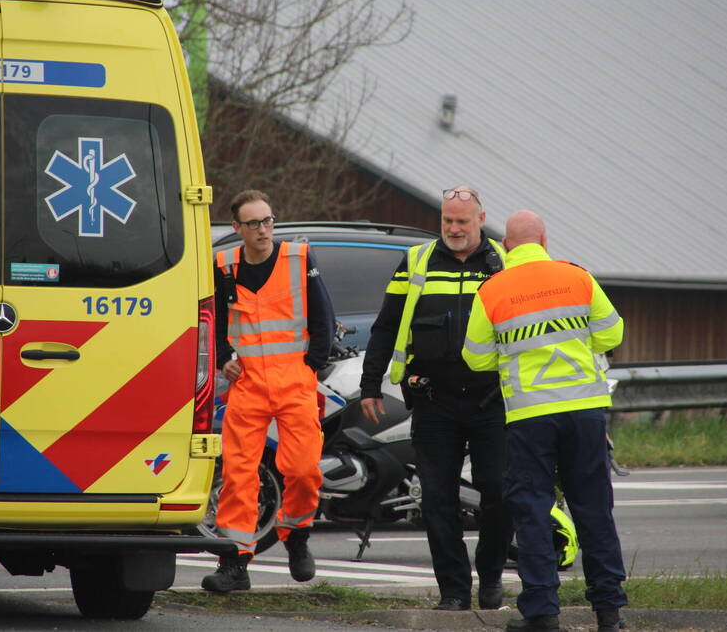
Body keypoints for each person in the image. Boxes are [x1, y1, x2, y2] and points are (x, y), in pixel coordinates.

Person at [462, 210, 628, 632]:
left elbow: (475, 356)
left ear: (508, 247)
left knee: (533, 511)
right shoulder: (578, 277)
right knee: (594, 508)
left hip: (530, 416)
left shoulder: (493, 290)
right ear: (544, 240)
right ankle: (609, 612)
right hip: (584, 412)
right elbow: (612, 335)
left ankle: (542, 613)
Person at [359, 186, 509, 611]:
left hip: (492, 400)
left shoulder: (505, 264)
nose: (454, 229)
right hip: (434, 401)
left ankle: (492, 573)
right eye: (447, 220)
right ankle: (454, 591)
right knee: (437, 499)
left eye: (462, 221)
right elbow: (386, 326)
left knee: (499, 491)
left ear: (481, 219)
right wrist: (371, 385)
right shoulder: (416, 261)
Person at [202, 190, 335, 593]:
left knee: (304, 469)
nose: (263, 230)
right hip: (248, 383)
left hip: (294, 380)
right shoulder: (224, 265)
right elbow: (217, 317)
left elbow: (323, 318)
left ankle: (295, 534)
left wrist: (310, 365)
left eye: (268, 221)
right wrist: (224, 355)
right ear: (238, 228)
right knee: (239, 475)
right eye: (254, 223)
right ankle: (235, 563)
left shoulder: (298, 259)